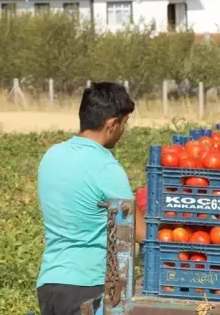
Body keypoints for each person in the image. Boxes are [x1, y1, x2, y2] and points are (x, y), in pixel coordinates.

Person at [36, 82, 146, 315]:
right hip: (88, 289)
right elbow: (140, 233)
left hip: (50, 285)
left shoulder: (52, 156)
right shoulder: (105, 166)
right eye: (124, 124)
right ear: (112, 124)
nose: (123, 131)